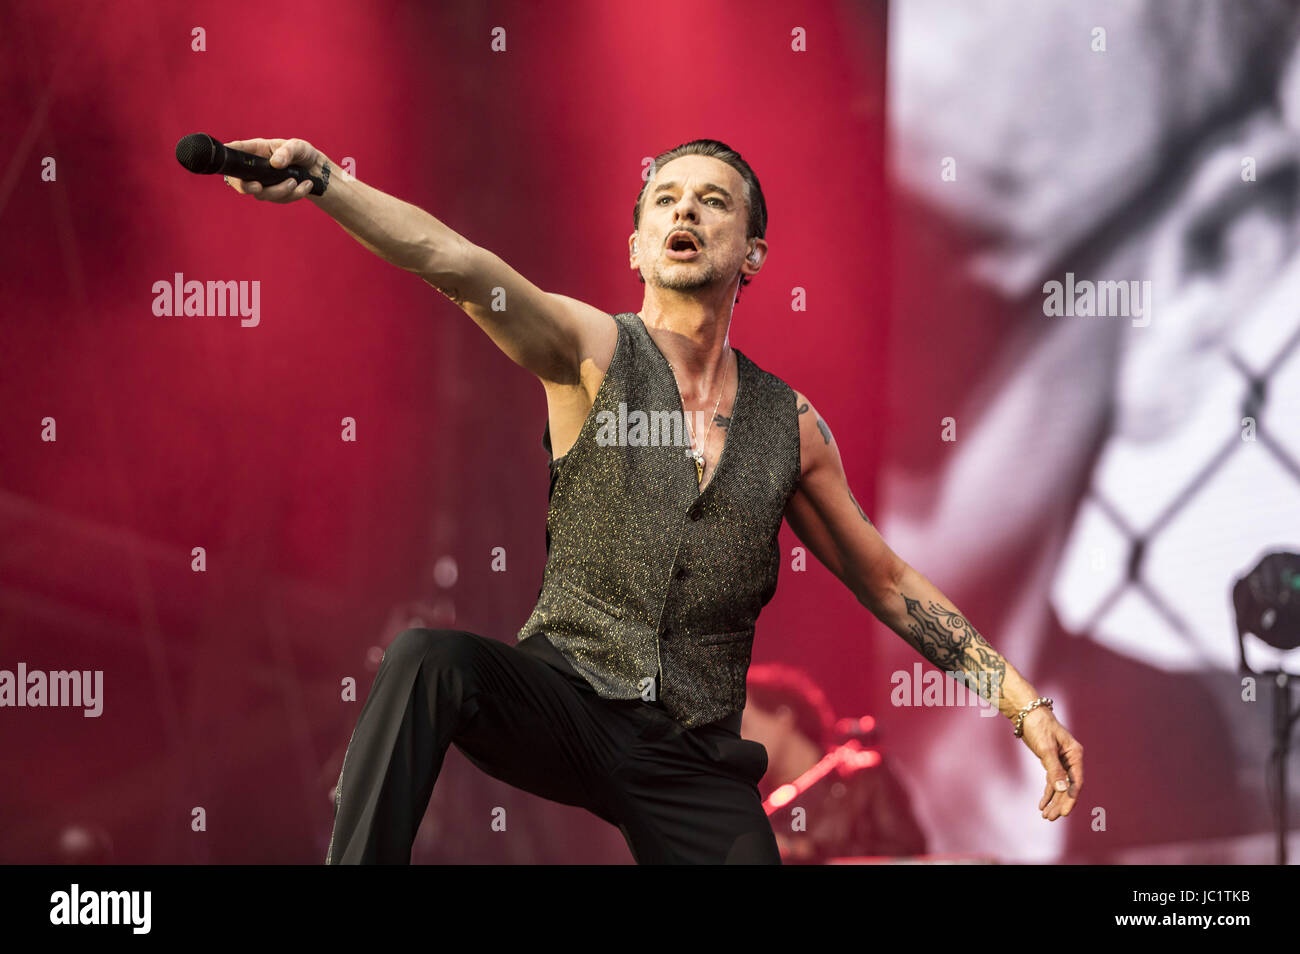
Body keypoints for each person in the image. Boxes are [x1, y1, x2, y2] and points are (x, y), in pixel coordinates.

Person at [217, 136, 1084, 865]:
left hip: (694, 757)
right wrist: (326, 181)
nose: (685, 213)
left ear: (753, 255)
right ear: (635, 244)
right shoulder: (591, 350)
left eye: (712, 202)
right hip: (569, 697)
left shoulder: (792, 428)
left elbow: (887, 581)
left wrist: (1022, 705)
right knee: (428, 658)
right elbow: (453, 263)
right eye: (665, 200)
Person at [742, 663, 928, 863]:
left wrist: (803, 850)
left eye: (745, 727)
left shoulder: (862, 775)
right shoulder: (754, 802)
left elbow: (908, 851)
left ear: (783, 716)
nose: (738, 741)